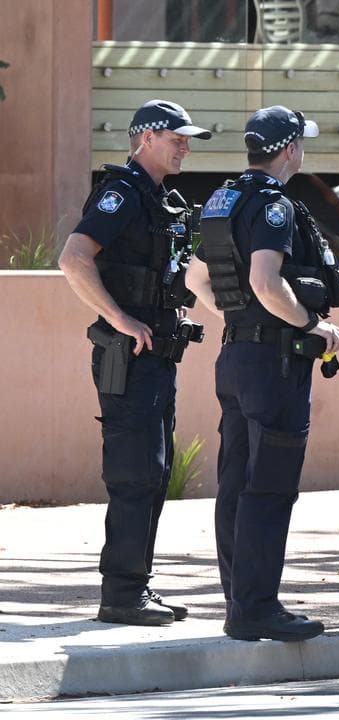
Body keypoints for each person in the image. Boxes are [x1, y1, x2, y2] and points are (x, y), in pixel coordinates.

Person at [185, 105, 339, 642]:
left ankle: (241, 601)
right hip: (275, 362)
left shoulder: (221, 199)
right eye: (301, 144)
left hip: (235, 359)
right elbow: (265, 280)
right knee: (269, 488)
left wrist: (238, 322)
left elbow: (197, 280)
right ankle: (255, 608)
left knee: (236, 482)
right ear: (288, 150)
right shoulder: (273, 205)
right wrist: (313, 325)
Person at [58, 100, 211, 626]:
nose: (185, 146)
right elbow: (73, 258)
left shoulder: (158, 199)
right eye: (177, 137)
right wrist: (119, 318)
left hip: (158, 358)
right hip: (130, 358)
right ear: (145, 138)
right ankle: (121, 594)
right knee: (134, 474)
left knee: (154, 472)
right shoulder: (122, 193)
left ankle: (135, 586)